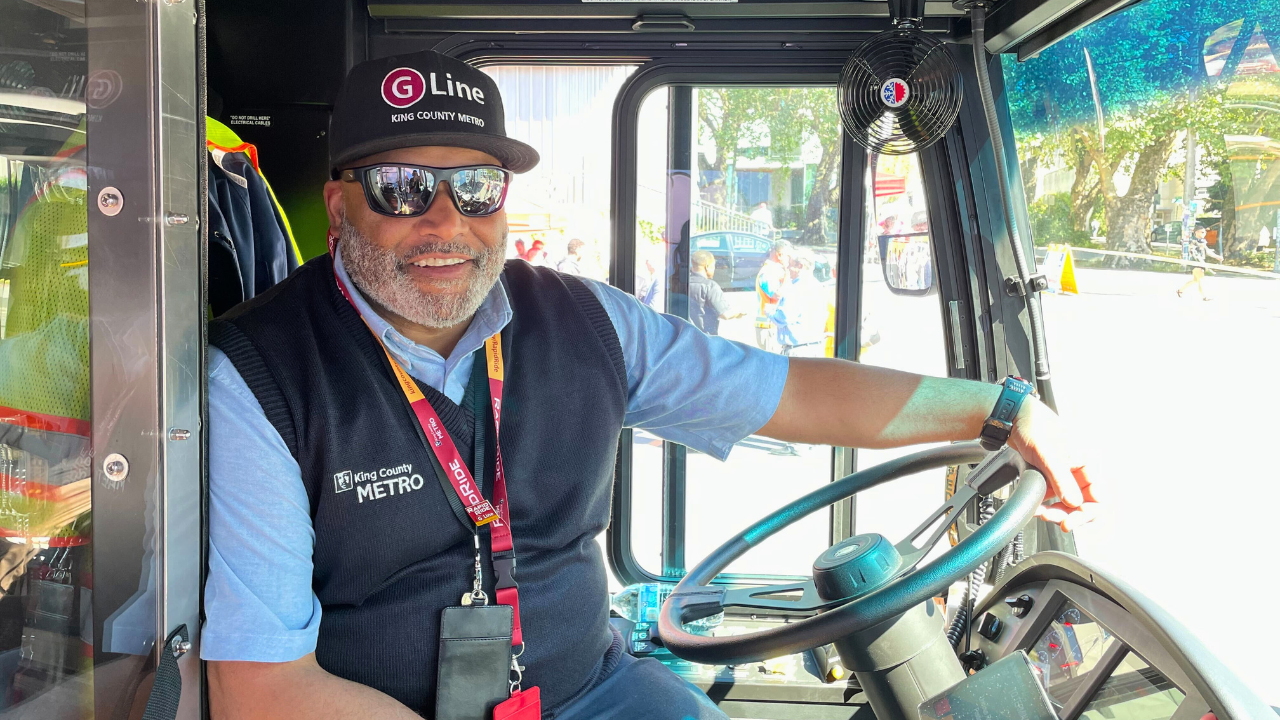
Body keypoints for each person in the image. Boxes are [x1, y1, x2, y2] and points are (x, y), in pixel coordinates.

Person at [203, 50, 1099, 720]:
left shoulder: (588, 323)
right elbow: (264, 685)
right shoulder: (259, 373)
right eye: (402, 188)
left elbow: (792, 392)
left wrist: (999, 407)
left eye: (476, 186)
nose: (445, 221)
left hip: (591, 690)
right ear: (339, 203)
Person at [770, 252, 828, 356]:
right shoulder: (818, 286)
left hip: (798, 351)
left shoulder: (795, 288)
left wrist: (770, 312)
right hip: (815, 349)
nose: (787, 267)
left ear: (800, 266)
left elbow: (784, 317)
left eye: (790, 264)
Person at [688, 250, 743, 335]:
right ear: (707, 266)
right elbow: (725, 314)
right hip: (705, 338)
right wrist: (738, 313)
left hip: (685, 335)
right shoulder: (710, 286)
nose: (714, 269)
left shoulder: (682, 283)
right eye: (713, 266)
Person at [754, 240, 791, 351]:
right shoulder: (767, 273)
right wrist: (787, 276)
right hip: (768, 326)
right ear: (780, 255)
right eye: (788, 256)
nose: (790, 260)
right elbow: (777, 295)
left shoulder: (774, 270)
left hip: (772, 325)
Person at [1177, 226, 1215, 300]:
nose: (1205, 233)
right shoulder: (1192, 240)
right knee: (1201, 279)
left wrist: (1217, 257)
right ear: (1196, 232)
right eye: (1203, 232)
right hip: (1195, 261)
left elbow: (1207, 251)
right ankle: (1205, 296)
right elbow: (1186, 245)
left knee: (1195, 280)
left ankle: (1180, 290)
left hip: (1201, 262)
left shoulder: (1203, 241)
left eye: (1205, 232)